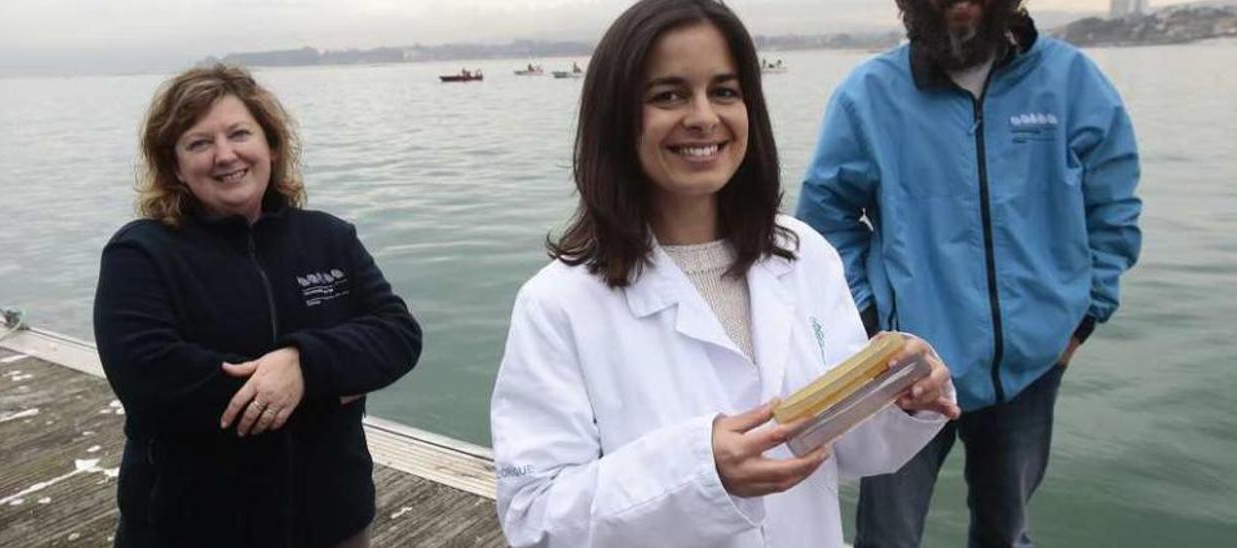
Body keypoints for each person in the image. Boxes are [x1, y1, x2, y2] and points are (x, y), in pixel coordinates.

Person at [490, 1, 959, 546]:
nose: (703, 117)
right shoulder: (559, 303)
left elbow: (848, 448)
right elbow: (533, 517)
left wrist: (903, 399)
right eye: (668, 95)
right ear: (616, 117)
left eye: (724, 91)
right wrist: (698, 471)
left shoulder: (803, 254)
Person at [795, 1, 1142, 546]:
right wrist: (869, 324)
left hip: (1030, 370)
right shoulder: (869, 97)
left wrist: (1083, 321)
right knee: (888, 537)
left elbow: (1113, 207)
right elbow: (824, 220)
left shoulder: (1073, 83)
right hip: (904, 374)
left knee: (1005, 533)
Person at [93, 64, 423, 547]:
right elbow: (151, 377)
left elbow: (398, 335)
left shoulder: (328, 238)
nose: (225, 155)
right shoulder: (141, 254)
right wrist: (328, 388)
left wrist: (303, 365)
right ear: (176, 166)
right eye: (199, 143)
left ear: (271, 145)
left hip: (332, 523)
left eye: (238, 133)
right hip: (191, 530)